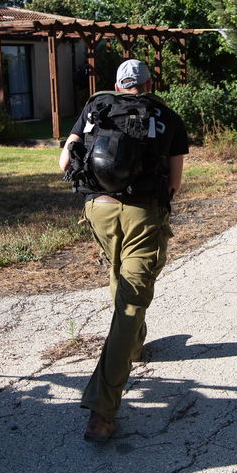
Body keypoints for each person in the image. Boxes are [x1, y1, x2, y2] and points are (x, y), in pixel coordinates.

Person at [58, 59, 189, 442]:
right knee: (132, 301)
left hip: (97, 208)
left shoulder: (96, 107)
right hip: (142, 212)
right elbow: (175, 182)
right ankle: (102, 410)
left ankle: (133, 345)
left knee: (119, 273)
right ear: (148, 84)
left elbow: (65, 161)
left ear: (116, 83)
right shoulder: (166, 115)